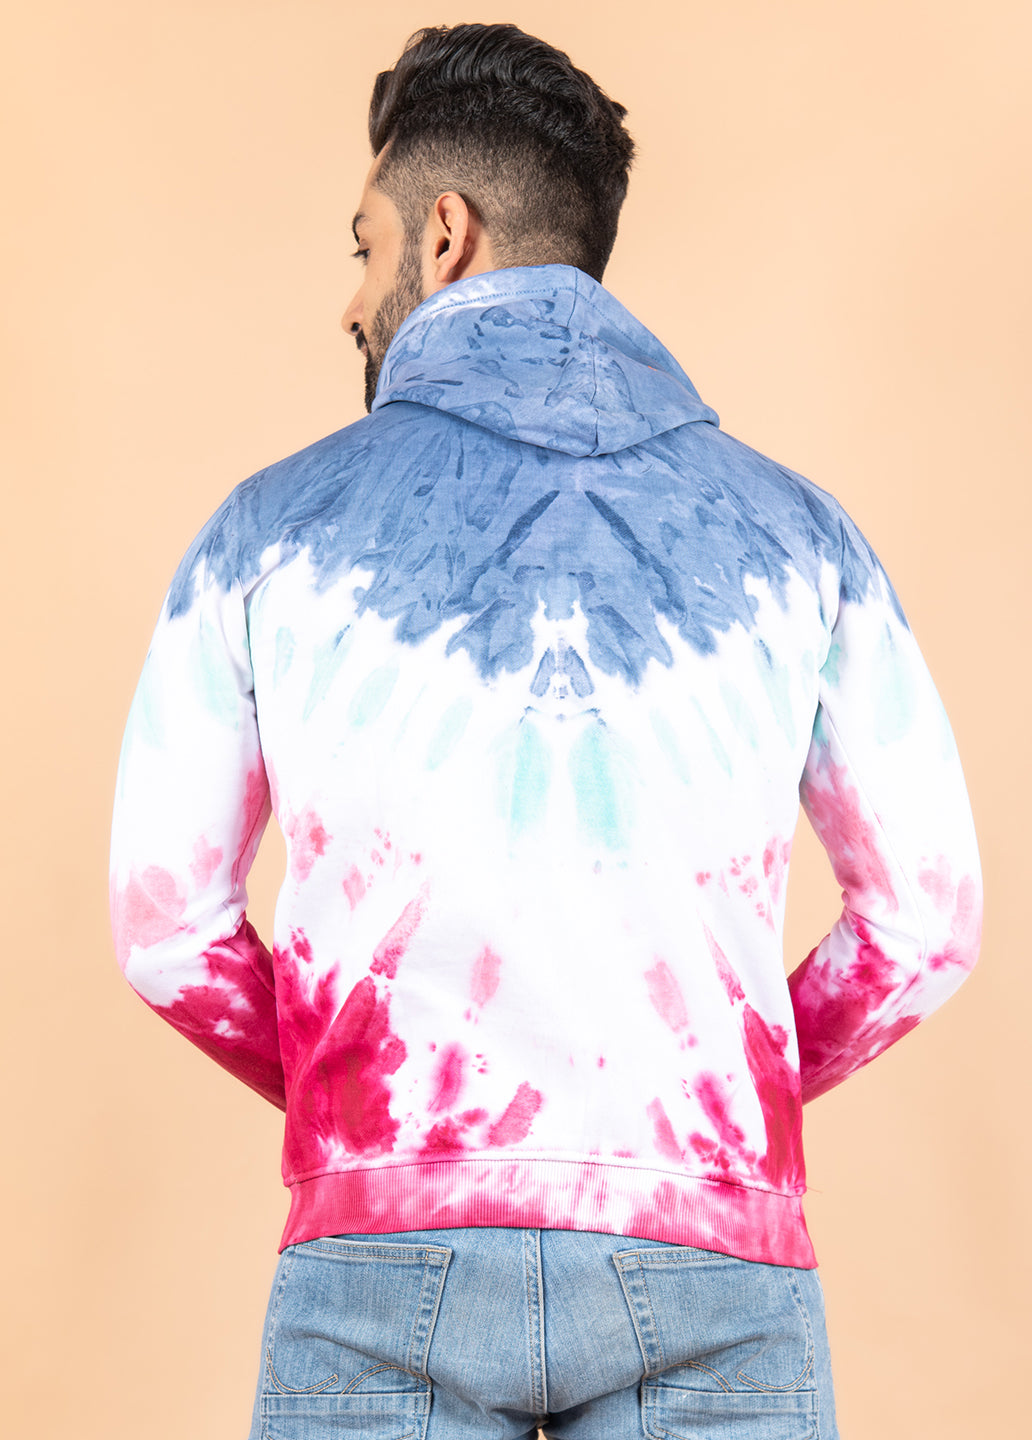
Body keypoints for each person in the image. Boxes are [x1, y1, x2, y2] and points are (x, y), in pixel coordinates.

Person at [109, 22, 982, 1440]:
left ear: (443, 234)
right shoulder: (805, 538)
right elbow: (926, 926)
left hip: (380, 1261)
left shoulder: (264, 532)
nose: (352, 303)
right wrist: (718, 1093)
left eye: (364, 247)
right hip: (712, 1255)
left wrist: (366, 1103)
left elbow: (164, 930)